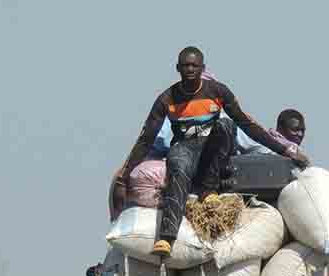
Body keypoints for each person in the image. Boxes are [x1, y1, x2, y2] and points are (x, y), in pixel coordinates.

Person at [111, 47, 311, 259]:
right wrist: (124, 176)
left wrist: (284, 149)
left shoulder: (217, 92)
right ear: (178, 68)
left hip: (211, 150)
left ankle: (209, 191)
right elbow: (146, 139)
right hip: (185, 147)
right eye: (185, 65)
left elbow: (248, 125)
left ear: (202, 68)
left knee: (226, 125)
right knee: (177, 165)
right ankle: (167, 238)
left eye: (194, 66)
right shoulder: (167, 99)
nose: (190, 70)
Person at [236, 108, 306, 156]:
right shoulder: (261, 144)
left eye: (302, 130)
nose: (300, 134)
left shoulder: (297, 155)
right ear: (280, 129)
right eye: (295, 130)